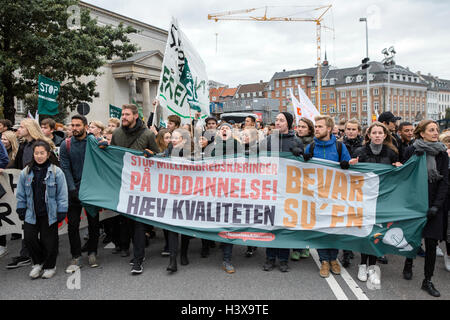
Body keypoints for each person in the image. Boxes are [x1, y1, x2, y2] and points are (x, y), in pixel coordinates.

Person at [107, 104, 159, 275]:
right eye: (122, 114)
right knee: (128, 223)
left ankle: (138, 259)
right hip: (124, 185)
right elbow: (113, 156)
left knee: (138, 224)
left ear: (136, 116)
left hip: (141, 186)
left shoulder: (148, 134)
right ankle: (138, 251)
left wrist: (151, 155)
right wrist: (103, 148)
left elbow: (158, 157)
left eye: (127, 114)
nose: (124, 117)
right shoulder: (117, 133)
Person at [401, 120, 448, 297]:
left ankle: (427, 280)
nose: (436, 133)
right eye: (431, 130)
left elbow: (445, 181)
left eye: (437, 130)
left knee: (431, 242)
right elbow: (404, 177)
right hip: (415, 201)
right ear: (422, 133)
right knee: (412, 237)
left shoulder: (442, 153)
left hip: (435, 202)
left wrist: (437, 205)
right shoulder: (412, 150)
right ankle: (408, 263)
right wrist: (415, 159)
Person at [351, 122, 401, 286]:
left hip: (382, 199)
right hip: (364, 198)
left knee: (376, 232)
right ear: (369, 135)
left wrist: (399, 167)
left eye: (381, 133)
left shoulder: (392, 152)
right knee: (365, 231)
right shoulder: (360, 152)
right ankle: (361, 265)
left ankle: (372, 266)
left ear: (385, 135)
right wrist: (351, 165)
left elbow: (396, 174)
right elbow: (351, 173)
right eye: (375, 133)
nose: (378, 135)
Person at [304, 115, 351, 278]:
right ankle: (324, 260)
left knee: (333, 229)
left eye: (320, 126)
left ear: (329, 129)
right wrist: (302, 159)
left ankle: (333, 258)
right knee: (321, 228)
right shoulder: (310, 147)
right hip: (316, 196)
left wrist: (346, 165)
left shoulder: (339, 147)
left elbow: (349, 167)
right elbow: (300, 170)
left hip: (334, 196)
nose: (316, 129)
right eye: (315, 126)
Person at [7, 118, 56, 270]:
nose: (18, 130)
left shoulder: (42, 145)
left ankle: (45, 259)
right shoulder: (23, 146)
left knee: (44, 228)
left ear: (29, 128)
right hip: (27, 191)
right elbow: (16, 166)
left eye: (21, 127)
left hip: (43, 191)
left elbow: (54, 166)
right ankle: (27, 254)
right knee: (28, 227)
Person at [260, 112, 305, 273]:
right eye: (276, 120)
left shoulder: (296, 140)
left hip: (288, 190)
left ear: (289, 123)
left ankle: (283, 259)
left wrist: (299, 153)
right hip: (270, 188)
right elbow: (257, 158)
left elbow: (304, 164)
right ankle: (270, 258)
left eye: (281, 120)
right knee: (271, 225)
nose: (277, 123)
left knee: (284, 225)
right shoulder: (267, 140)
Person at [16, 140, 68, 279]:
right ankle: (37, 263)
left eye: (42, 153)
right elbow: (20, 192)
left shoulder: (57, 172)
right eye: (36, 153)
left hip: (49, 213)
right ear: (33, 154)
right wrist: (20, 207)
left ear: (48, 154)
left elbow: (62, 193)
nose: (39, 156)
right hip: (31, 212)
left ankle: (50, 266)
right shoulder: (26, 172)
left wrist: (62, 210)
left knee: (49, 241)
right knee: (29, 238)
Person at [60, 115, 101, 273]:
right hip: (74, 191)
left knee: (93, 223)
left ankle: (92, 252)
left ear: (85, 126)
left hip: (91, 191)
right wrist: (72, 189)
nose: (75, 128)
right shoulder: (66, 144)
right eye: (73, 125)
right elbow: (65, 167)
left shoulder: (94, 142)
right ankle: (76, 255)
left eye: (78, 125)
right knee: (73, 225)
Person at [161, 128, 193, 273]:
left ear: (184, 140)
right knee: (172, 226)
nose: (173, 140)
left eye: (176, 138)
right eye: (172, 138)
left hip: (186, 193)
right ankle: (172, 259)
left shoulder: (191, 155)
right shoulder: (166, 153)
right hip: (170, 193)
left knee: (184, 225)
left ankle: (184, 253)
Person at [339, 118, 364, 268]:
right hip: (343, 185)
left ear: (359, 131)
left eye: (354, 129)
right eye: (348, 129)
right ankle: (346, 252)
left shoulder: (364, 146)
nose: (351, 132)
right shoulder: (340, 145)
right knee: (346, 219)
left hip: (360, 185)